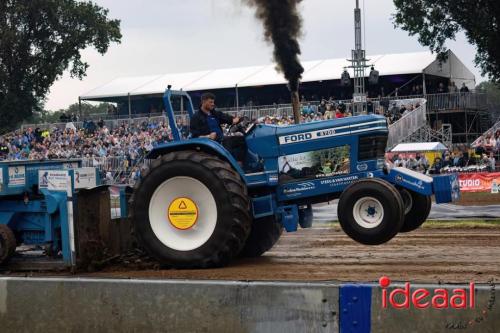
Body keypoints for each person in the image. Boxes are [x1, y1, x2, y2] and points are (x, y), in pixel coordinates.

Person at [189, 93, 245, 161]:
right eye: (210, 102)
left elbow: (228, 118)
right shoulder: (196, 117)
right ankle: (231, 165)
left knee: (241, 140)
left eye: (213, 102)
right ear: (203, 102)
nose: (213, 104)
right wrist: (208, 136)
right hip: (210, 144)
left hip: (221, 140)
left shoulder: (215, 113)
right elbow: (194, 137)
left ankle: (240, 163)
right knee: (228, 146)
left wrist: (237, 119)